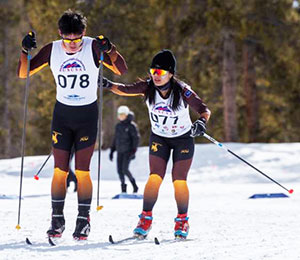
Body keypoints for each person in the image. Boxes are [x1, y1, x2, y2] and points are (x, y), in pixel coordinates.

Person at [18, 9, 128, 240]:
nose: (72, 45)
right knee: (60, 170)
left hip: (87, 116)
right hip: (62, 116)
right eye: (67, 39)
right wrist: (25, 50)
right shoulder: (52, 49)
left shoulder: (93, 47)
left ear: (83, 34)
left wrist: (110, 49)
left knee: (82, 171)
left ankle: (83, 220)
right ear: (60, 34)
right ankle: (57, 219)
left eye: (76, 40)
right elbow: (23, 73)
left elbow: (121, 70)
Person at [101, 49, 211, 239]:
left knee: (179, 180)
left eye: (160, 72)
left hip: (182, 139)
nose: (155, 76)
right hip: (159, 138)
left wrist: (201, 122)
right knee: (154, 177)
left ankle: (182, 221)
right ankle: (145, 219)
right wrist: (107, 84)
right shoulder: (148, 86)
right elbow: (125, 89)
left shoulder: (182, 90)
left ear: (170, 73)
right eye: (153, 71)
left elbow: (204, 110)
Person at [109, 105, 140, 193]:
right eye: (119, 114)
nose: (121, 116)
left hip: (128, 151)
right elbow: (116, 139)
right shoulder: (118, 126)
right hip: (120, 151)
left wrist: (133, 151)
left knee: (125, 169)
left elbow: (136, 139)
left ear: (126, 115)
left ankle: (134, 185)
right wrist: (112, 151)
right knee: (119, 170)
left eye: (122, 114)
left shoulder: (132, 126)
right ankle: (123, 188)